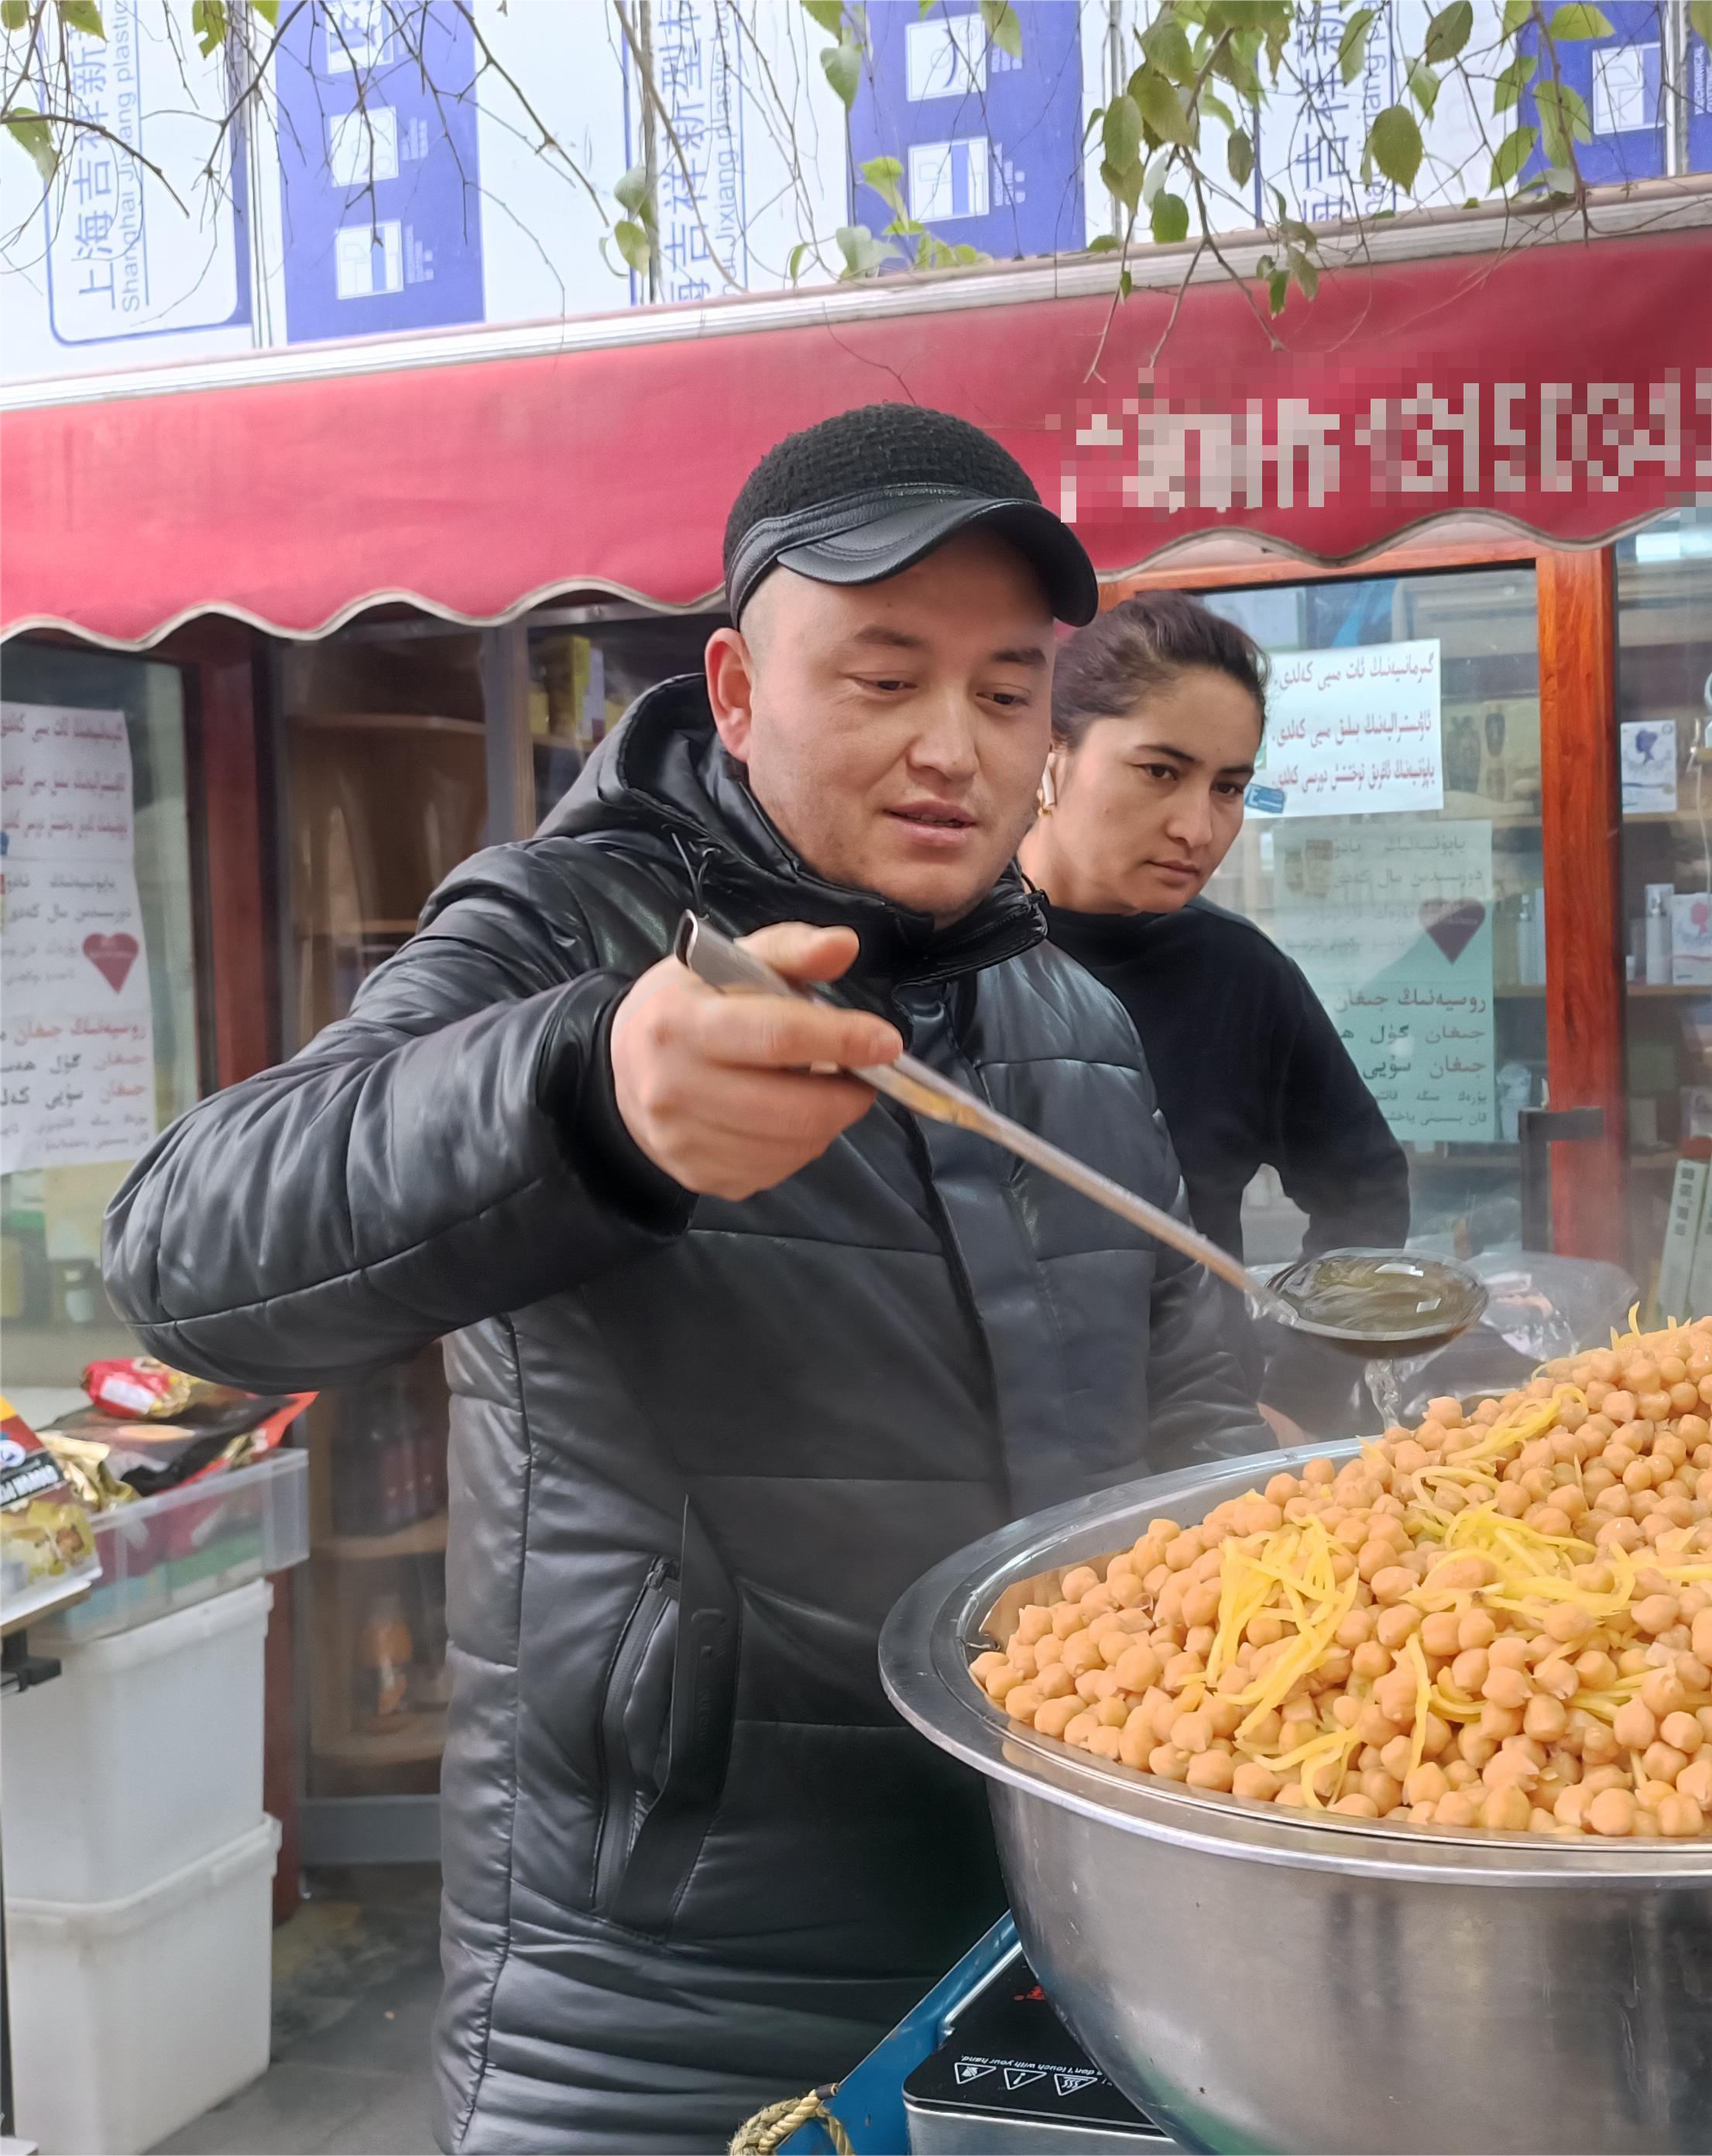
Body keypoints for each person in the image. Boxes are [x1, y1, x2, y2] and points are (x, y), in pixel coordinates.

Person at [101, 407, 1262, 2154]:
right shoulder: (572, 931)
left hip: (1059, 1947)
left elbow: (1176, 1403)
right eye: (882, 678)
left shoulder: (1071, 1021)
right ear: (732, 689)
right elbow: (186, 1249)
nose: (955, 746)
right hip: (653, 2002)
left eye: (1007, 691)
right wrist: (585, 1095)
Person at [1016, 592, 1409, 1436]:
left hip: (1198, 1463)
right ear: (1053, 754)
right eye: (1160, 770)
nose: (1198, 826)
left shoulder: (1239, 975)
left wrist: (1299, 1390)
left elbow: (1365, 1190)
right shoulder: (945, 952)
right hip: (991, 1468)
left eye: (1228, 787)